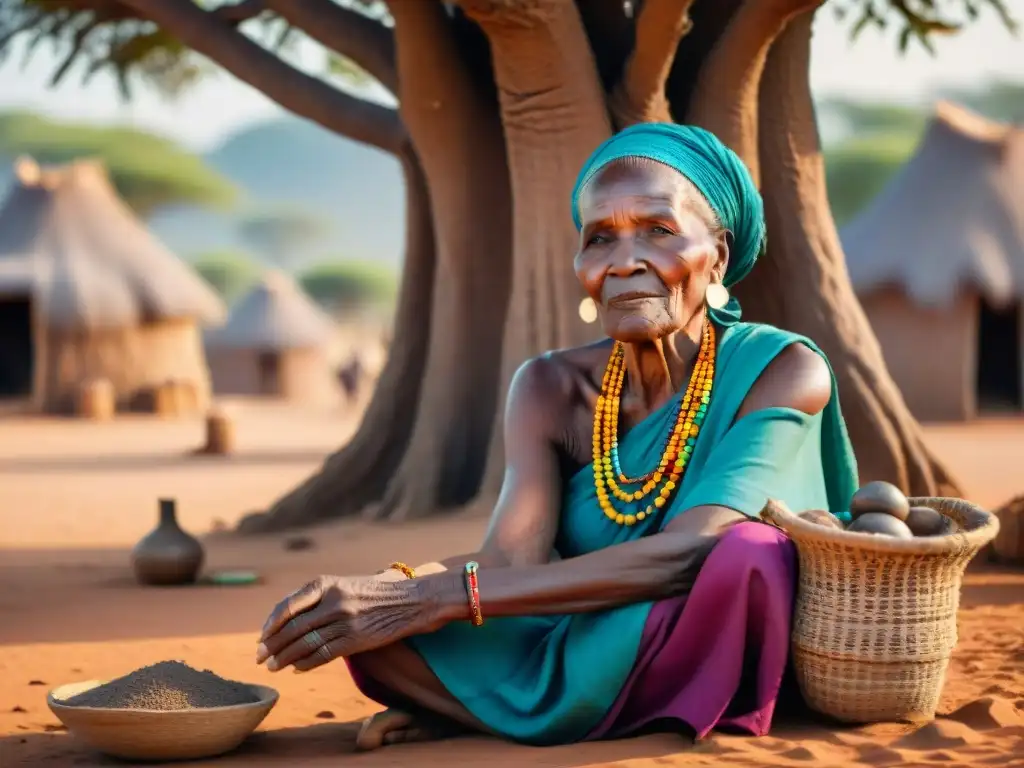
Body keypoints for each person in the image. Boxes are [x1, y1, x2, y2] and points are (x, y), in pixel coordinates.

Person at [254, 123, 859, 750]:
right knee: (380, 628)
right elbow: (514, 559)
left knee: (749, 553)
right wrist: (393, 595)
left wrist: (432, 597)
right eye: (601, 238)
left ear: (720, 256)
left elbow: (691, 555)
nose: (625, 261)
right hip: (591, 626)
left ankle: (501, 712)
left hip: (695, 628)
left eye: (657, 231)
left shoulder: (783, 369)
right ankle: (541, 707)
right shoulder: (548, 386)